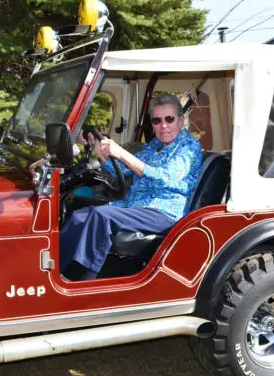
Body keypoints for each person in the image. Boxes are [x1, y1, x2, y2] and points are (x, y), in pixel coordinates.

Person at [60, 94, 202, 280]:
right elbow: (122, 169)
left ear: (181, 120)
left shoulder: (189, 146)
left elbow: (165, 178)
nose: (163, 126)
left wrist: (121, 153)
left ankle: (82, 283)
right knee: (80, 215)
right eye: (157, 121)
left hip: (164, 212)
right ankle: (55, 273)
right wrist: (96, 146)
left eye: (169, 119)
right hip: (137, 205)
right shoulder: (155, 145)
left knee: (101, 217)